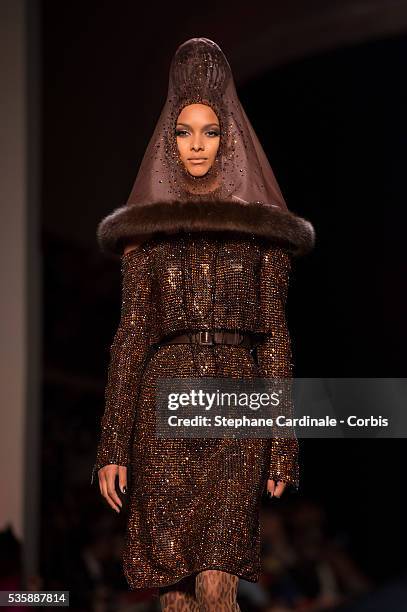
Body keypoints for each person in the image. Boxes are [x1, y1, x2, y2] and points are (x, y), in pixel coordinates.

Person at [91, 37, 315, 611]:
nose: (197, 144)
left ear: (227, 138)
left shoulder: (260, 233)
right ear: (169, 141)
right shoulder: (147, 234)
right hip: (162, 408)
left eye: (209, 131)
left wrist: (283, 442)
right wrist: (113, 442)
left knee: (218, 580)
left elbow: (275, 337)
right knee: (176, 593)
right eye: (184, 132)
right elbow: (131, 337)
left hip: (237, 403)